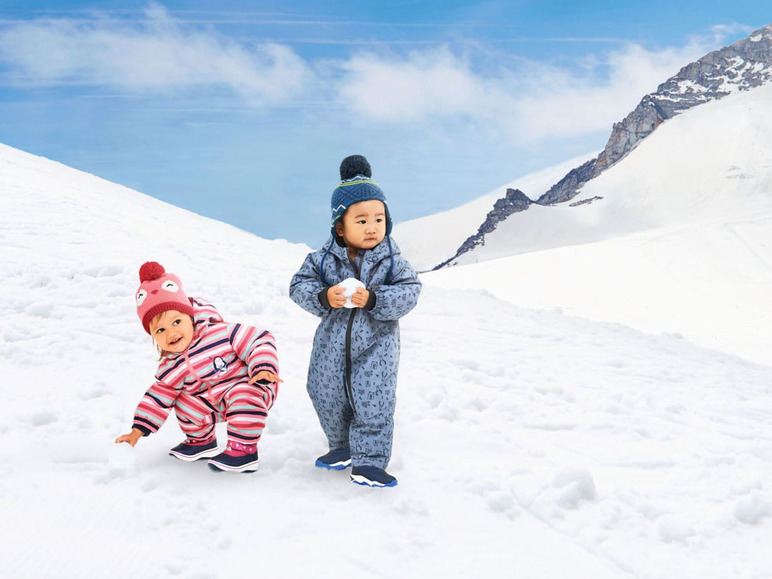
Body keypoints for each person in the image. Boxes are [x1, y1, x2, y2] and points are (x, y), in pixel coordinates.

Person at [289, 155, 422, 487]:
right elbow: (298, 285)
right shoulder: (322, 261)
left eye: (379, 218)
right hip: (330, 348)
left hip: (376, 348)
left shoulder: (392, 263)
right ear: (340, 227)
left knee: (373, 401)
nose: (372, 226)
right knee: (323, 392)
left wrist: (375, 299)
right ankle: (342, 446)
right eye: (361, 220)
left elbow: (410, 292)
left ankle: (370, 461)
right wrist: (325, 296)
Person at [115, 261, 281, 473]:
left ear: (190, 317)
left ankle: (244, 450)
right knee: (180, 399)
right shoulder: (170, 366)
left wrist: (263, 367)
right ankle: (202, 442)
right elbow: (157, 400)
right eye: (160, 330)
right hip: (215, 403)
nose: (171, 333)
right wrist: (136, 432)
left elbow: (259, 339)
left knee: (241, 393)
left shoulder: (220, 333)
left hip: (254, 387)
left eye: (176, 322)